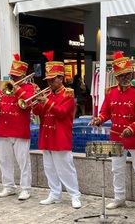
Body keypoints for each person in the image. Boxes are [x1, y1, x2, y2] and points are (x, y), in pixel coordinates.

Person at [88, 52, 135, 214]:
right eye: (121, 75)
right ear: (116, 77)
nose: (125, 78)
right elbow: (105, 112)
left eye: (128, 74)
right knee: (116, 169)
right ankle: (119, 197)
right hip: (116, 136)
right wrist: (99, 120)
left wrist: (131, 129)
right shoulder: (110, 93)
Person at [32, 51, 82, 209]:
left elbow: (61, 113)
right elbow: (38, 112)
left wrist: (45, 102)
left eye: (52, 79)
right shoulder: (47, 94)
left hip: (60, 136)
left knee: (65, 168)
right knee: (49, 168)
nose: (49, 83)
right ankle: (55, 194)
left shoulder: (68, 95)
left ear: (61, 78)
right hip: (47, 136)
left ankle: (75, 195)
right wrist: (34, 103)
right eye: (48, 80)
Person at [0, 54, 35, 200]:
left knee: (23, 160)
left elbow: (28, 104)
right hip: (3, 128)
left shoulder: (29, 88)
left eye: (16, 76)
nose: (13, 78)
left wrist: (17, 89)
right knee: (3, 159)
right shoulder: (5, 87)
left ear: (23, 75)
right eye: (12, 75)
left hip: (19, 129)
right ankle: (8, 186)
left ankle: (26, 188)